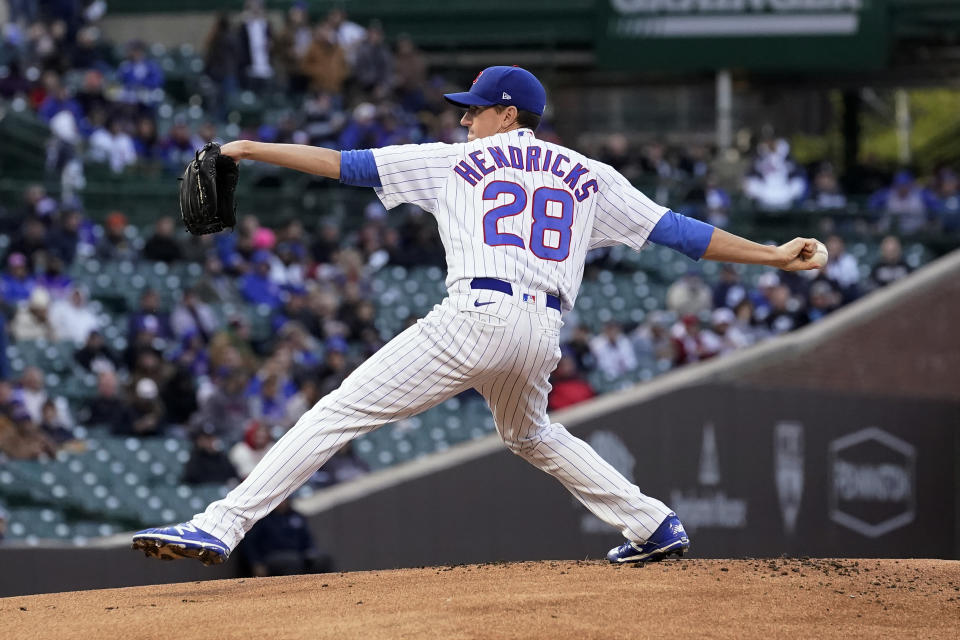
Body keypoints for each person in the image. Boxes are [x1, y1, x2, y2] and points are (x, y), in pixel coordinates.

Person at [133, 66, 826, 567]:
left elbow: (341, 164)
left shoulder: (452, 162)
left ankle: (220, 525)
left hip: (476, 313)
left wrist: (248, 150)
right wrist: (771, 254)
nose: (463, 120)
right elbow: (681, 233)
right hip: (542, 329)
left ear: (505, 113)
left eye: (473, 109)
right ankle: (652, 523)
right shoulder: (590, 174)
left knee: (336, 413)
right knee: (530, 432)